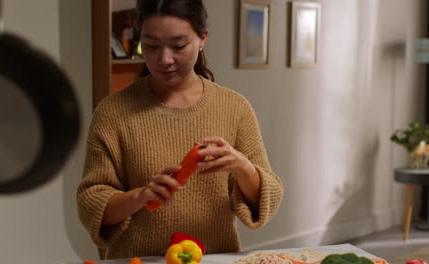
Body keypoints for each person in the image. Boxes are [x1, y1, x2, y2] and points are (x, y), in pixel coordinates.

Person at [77, 0, 283, 259]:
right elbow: (90, 204)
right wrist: (140, 196)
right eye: (151, 46)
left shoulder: (235, 108)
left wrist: (243, 167)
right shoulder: (112, 112)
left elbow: (269, 199)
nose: (164, 59)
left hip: (215, 258)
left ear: (202, 38)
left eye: (178, 46)